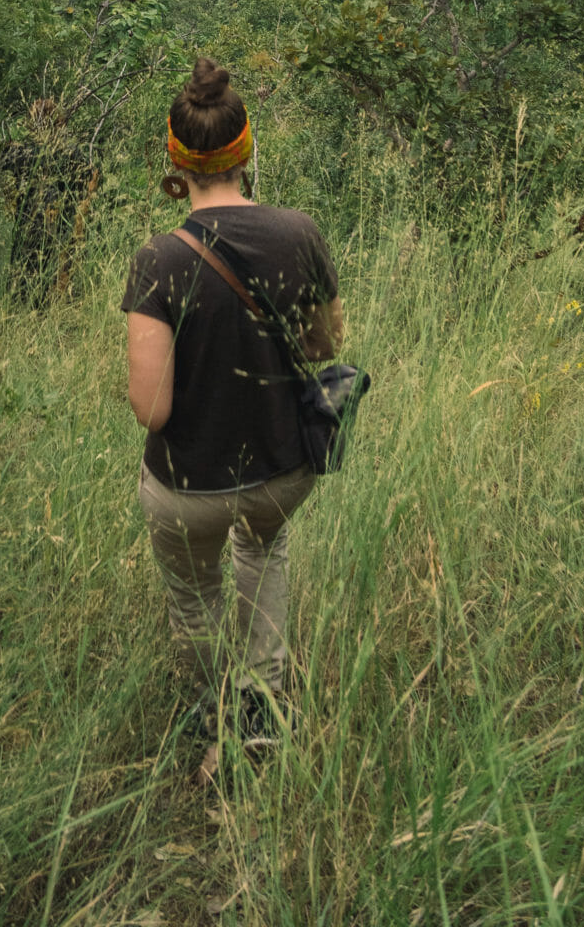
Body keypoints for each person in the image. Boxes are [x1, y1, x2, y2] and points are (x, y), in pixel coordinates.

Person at [121, 58, 343, 745]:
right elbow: (324, 344)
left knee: (194, 594)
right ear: (246, 151)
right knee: (263, 556)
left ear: (174, 159)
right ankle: (261, 710)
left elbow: (150, 410)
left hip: (188, 482)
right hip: (282, 469)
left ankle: (213, 708)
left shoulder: (158, 259)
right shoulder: (298, 232)